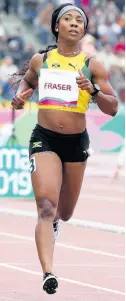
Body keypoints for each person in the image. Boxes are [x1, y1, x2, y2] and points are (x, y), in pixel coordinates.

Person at [11, 3, 118, 295]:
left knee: (65, 212)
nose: (74, 23)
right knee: (45, 206)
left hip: (76, 142)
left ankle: (56, 222)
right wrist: (20, 98)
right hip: (44, 138)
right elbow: (26, 85)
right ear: (57, 26)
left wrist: (93, 91)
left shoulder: (92, 64)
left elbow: (112, 108)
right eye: (68, 19)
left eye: (79, 20)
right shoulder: (40, 61)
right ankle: (48, 272)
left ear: (83, 30)